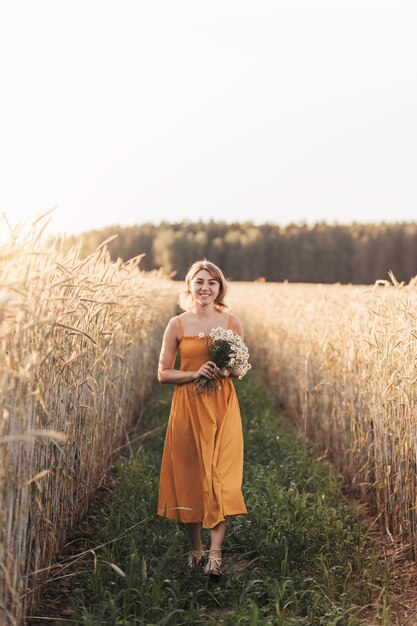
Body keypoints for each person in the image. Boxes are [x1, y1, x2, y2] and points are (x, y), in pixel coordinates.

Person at [157, 259, 247, 577]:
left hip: (222, 406)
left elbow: (239, 368)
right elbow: (163, 373)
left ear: (220, 287)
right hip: (188, 406)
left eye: (211, 282)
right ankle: (195, 549)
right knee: (191, 477)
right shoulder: (177, 325)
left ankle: (215, 554)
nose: (205, 287)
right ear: (189, 286)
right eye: (199, 281)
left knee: (220, 477)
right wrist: (195, 373)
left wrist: (225, 371)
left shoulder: (232, 321)